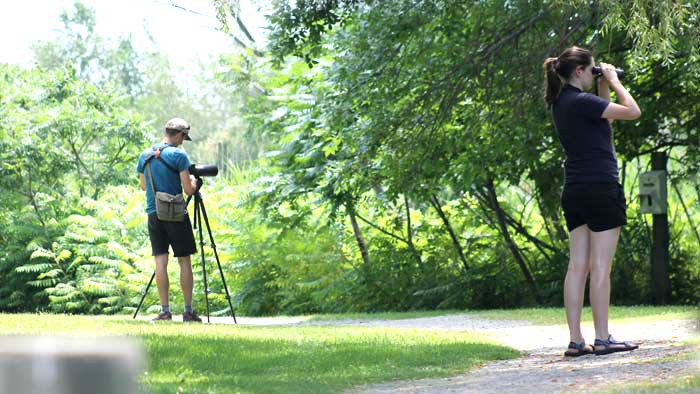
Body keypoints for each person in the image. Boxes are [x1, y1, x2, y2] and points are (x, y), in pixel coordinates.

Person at [544, 46, 641, 356]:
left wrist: (601, 86)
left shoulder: (561, 103)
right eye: (593, 69)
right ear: (579, 71)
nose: (596, 72)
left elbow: (603, 122)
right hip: (601, 187)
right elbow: (632, 112)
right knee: (600, 266)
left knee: (578, 266)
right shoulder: (582, 102)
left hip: (574, 190)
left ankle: (575, 340)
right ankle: (603, 338)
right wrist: (614, 80)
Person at [136, 118, 202, 322]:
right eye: (184, 137)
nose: (183, 141)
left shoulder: (145, 155)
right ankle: (188, 310)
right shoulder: (179, 155)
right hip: (174, 214)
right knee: (184, 261)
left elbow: (144, 187)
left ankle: (165, 311)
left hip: (154, 213)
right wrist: (194, 181)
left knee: (160, 261)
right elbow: (188, 190)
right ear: (180, 135)